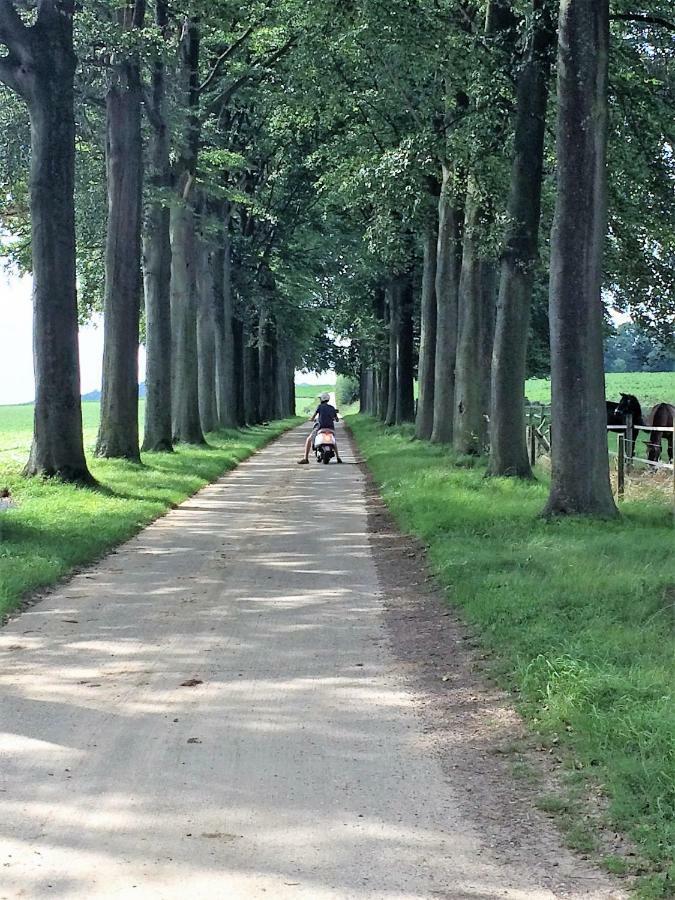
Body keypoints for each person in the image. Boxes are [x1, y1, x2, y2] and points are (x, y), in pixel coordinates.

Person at [298, 392, 343, 464]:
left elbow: (313, 417)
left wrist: (311, 419)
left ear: (322, 399)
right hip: (330, 429)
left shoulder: (319, 407)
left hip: (321, 428)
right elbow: (337, 419)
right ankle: (338, 457)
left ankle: (305, 458)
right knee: (333, 441)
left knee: (309, 439)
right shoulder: (332, 408)